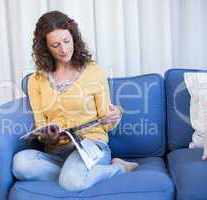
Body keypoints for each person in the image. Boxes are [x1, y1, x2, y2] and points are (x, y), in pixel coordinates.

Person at [12, 10, 138, 192]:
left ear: (74, 38)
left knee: (72, 182)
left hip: (92, 146)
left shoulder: (94, 71)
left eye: (66, 41)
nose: (63, 49)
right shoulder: (36, 80)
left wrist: (115, 114)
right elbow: (41, 125)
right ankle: (73, 174)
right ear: (45, 47)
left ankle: (119, 167)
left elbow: (106, 122)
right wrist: (49, 136)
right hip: (57, 151)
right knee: (20, 164)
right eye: (55, 45)